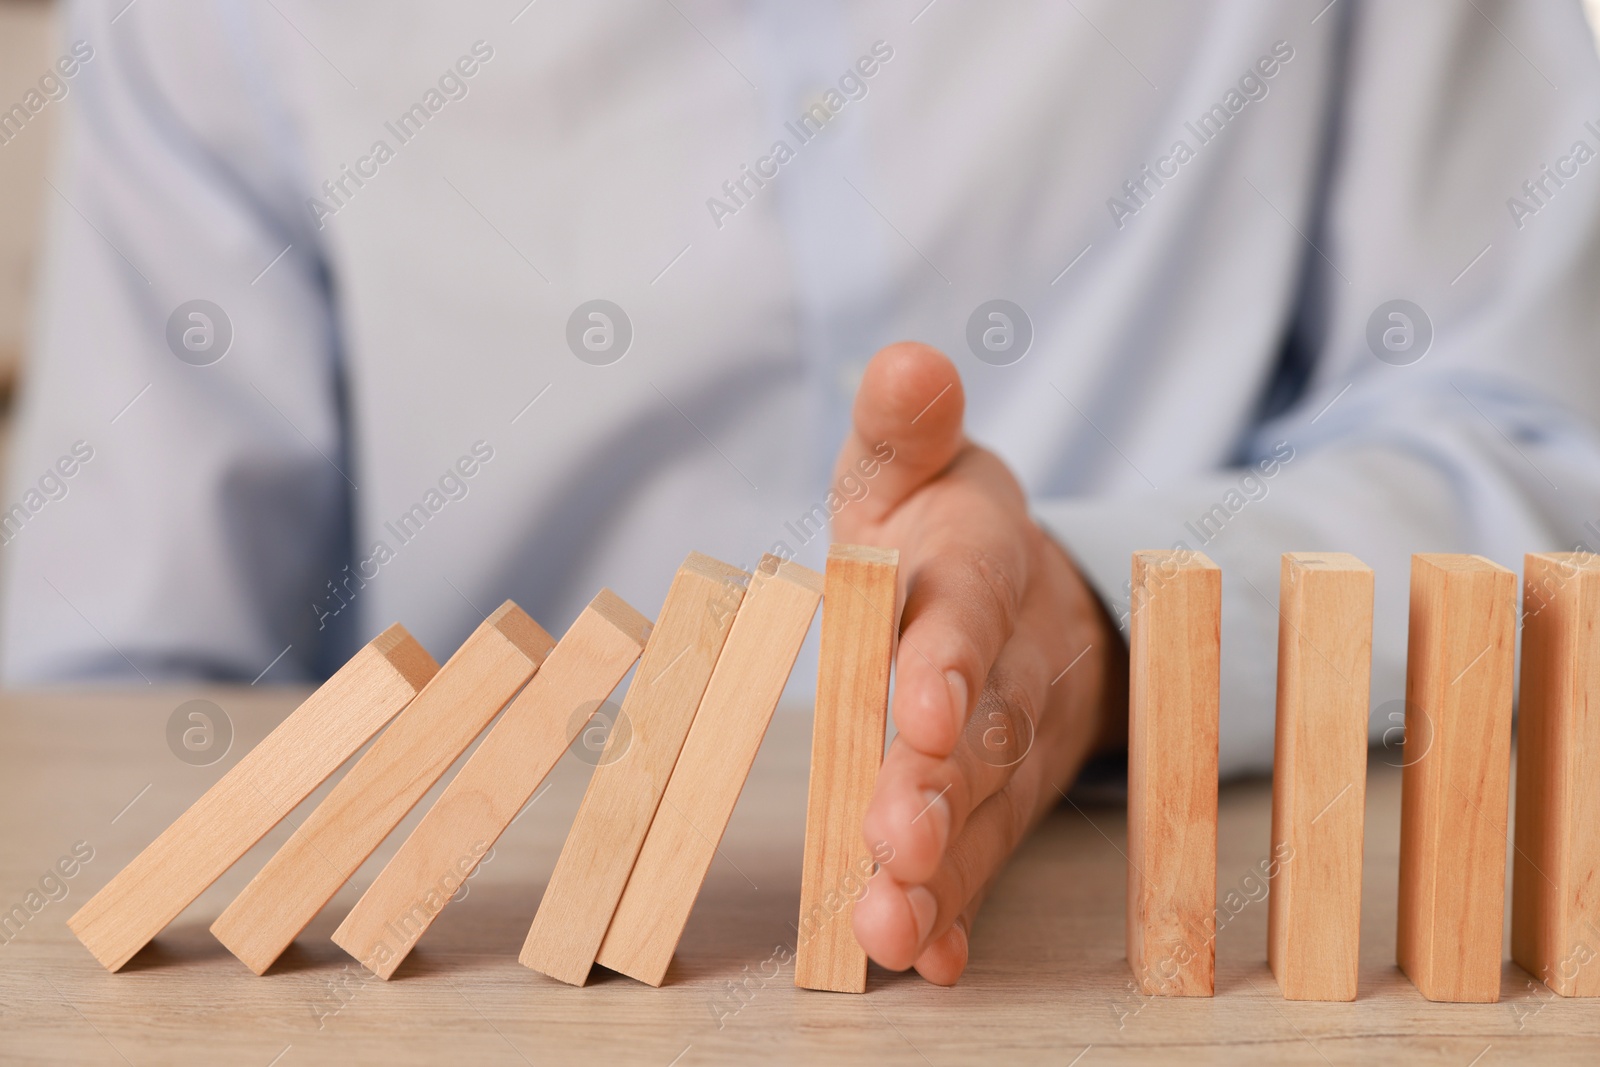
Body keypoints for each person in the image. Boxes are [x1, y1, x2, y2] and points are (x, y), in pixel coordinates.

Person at [5, 0, 1599, 985]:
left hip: (1185, 906)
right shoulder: (202, 23)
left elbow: (1540, 446)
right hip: (514, 956)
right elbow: (112, 675)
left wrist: (1096, 624)